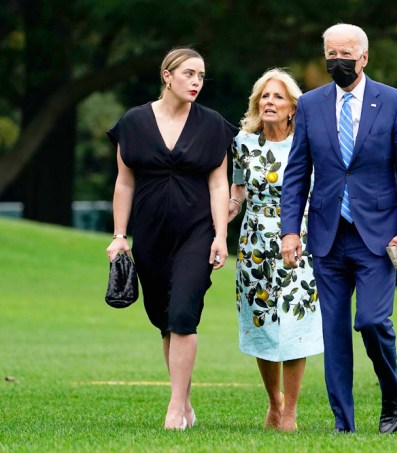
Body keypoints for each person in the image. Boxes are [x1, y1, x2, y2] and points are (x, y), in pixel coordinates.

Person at [280, 24, 397, 434]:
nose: (337, 61)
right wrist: (290, 231)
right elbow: (296, 174)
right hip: (327, 236)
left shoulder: (394, 103)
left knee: (372, 321)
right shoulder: (310, 104)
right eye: (331, 54)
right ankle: (344, 424)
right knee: (335, 332)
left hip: (378, 237)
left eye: (345, 54)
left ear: (363, 58)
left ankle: (392, 394)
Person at [105, 47, 238, 429]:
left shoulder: (212, 125)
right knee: (164, 319)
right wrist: (119, 235)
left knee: (183, 312)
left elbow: (218, 185)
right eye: (189, 74)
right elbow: (124, 182)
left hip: (197, 232)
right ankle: (185, 399)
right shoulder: (133, 123)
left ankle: (176, 407)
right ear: (168, 76)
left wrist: (220, 236)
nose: (196, 81)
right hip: (150, 234)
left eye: (201, 75)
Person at [227, 68, 323, 432]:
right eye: (264, 96)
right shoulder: (242, 143)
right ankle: (274, 403)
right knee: (262, 324)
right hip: (253, 246)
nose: (269, 102)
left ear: (292, 108)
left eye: (278, 97)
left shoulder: (308, 142)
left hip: (299, 242)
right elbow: (237, 191)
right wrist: (227, 211)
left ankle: (292, 411)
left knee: (296, 322)